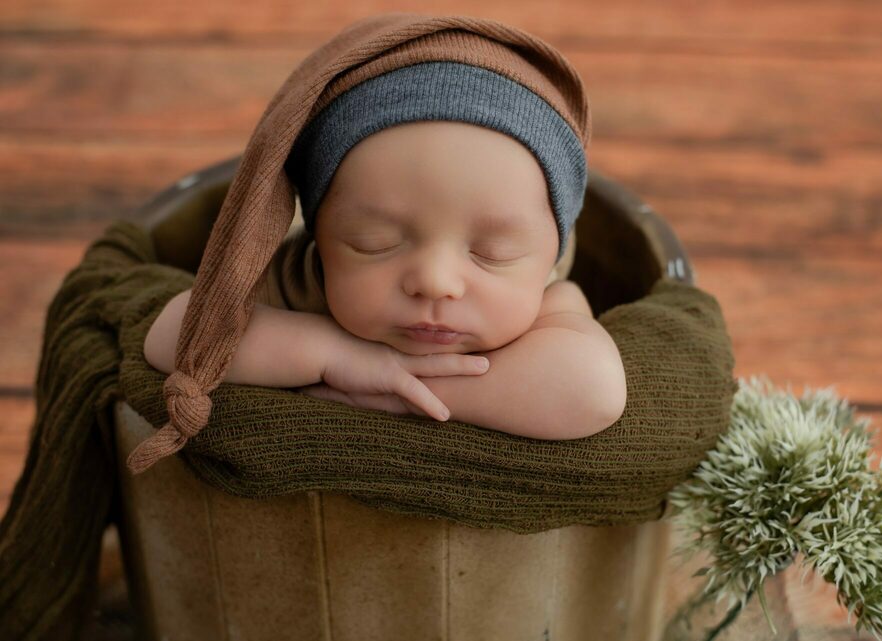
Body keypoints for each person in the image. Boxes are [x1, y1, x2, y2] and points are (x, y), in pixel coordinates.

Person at [130, 14, 627, 473]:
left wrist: (402, 391)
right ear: (318, 235)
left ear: (551, 253)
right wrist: (333, 355)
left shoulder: (549, 300)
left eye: (491, 252)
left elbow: (593, 390)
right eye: (374, 242)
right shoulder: (297, 282)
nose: (435, 281)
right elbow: (172, 335)